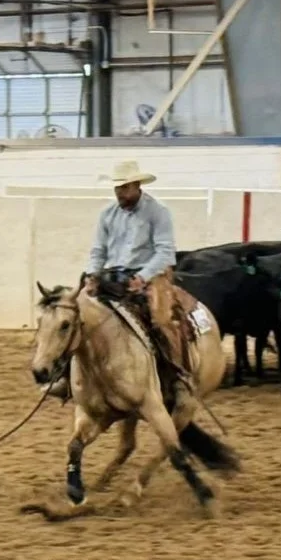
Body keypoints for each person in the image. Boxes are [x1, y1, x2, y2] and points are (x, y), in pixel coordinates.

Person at [44, 159, 186, 400]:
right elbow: (98, 251)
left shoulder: (158, 212)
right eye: (117, 188)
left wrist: (142, 277)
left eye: (123, 188)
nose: (119, 193)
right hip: (112, 277)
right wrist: (91, 276)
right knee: (76, 315)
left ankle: (174, 376)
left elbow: (165, 252)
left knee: (160, 320)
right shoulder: (107, 215)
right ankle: (66, 377)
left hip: (149, 276)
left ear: (136, 186)